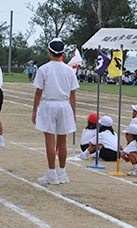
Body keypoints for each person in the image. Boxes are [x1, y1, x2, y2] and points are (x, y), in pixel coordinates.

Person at [31, 38, 78, 185]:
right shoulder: (69, 70)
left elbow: (38, 92)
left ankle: (52, 173)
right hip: (64, 105)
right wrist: (74, 112)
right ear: (63, 52)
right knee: (62, 141)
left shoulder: (44, 69)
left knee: (50, 141)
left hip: (49, 105)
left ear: (49, 52)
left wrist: (34, 110)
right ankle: (62, 173)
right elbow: (73, 94)